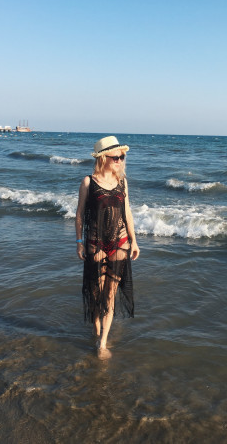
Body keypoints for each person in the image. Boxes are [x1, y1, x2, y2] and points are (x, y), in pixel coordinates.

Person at [75, 136, 140, 358]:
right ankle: (97, 330)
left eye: (122, 157)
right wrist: (79, 242)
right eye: (116, 157)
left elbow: (127, 212)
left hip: (120, 242)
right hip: (95, 243)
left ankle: (102, 343)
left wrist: (134, 240)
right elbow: (79, 215)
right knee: (96, 293)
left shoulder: (123, 181)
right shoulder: (88, 182)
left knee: (110, 294)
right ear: (103, 158)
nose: (120, 160)